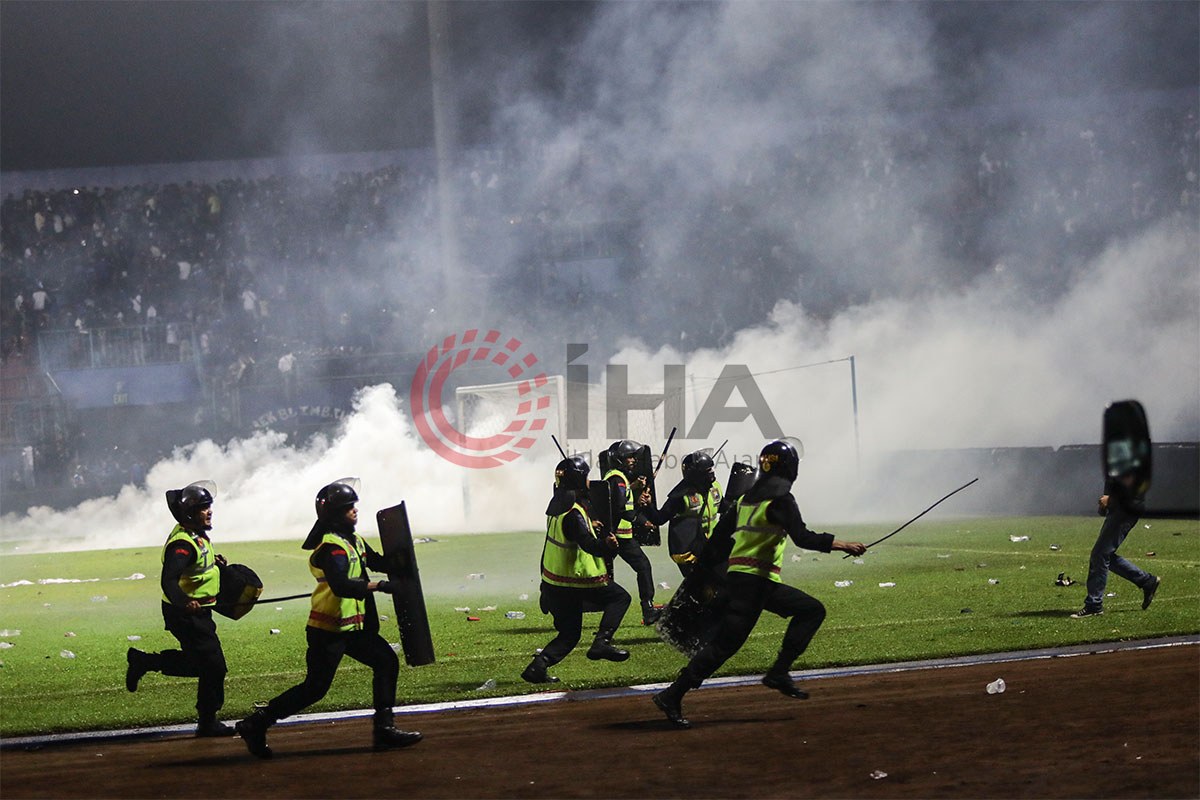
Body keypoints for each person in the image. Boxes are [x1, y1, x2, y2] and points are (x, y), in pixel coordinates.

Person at [652, 439, 866, 729]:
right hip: (754, 586)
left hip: (743, 581)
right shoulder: (781, 501)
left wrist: (705, 579)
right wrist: (843, 544)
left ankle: (775, 673)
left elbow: (715, 544)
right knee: (727, 645)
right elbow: (803, 537)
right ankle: (673, 694)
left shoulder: (744, 501)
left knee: (808, 611)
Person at [235, 480, 421, 759]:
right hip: (329, 630)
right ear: (335, 514)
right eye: (348, 508)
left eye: (354, 506)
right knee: (315, 689)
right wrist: (379, 587)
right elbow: (341, 585)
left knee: (386, 662)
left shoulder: (353, 540)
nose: (354, 511)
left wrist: (401, 556)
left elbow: (377, 562)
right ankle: (255, 724)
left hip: (353, 629)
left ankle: (384, 730)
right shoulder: (331, 548)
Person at [125, 481, 235, 737]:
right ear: (189, 513)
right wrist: (186, 602)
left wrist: (216, 563)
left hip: (197, 613)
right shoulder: (182, 544)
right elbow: (169, 581)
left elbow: (196, 568)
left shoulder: (196, 536)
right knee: (214, 666)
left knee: (204, 664)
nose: (209, 512)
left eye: (209, 507)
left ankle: (144, 661)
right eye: (203, 508)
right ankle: (207, 722)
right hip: (185, 615)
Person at [522, 456, 632, 683]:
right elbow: (589, 545)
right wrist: (607, 545)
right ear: (580, 480)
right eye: (587, 477)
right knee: (621, 598)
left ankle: (537, 667)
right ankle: (602, 643)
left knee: (570, 634)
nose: (590, 481)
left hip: (554, 582)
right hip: (578, 580)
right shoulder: (574, 513)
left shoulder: (556, 507)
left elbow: (567, 534)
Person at [1070, 474, 1160, 618]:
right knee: (1104, 556)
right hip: (1119, 509)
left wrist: (1111, 500)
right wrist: (1106, 502)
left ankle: (1094, 605)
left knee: (1100, 554)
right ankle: (1146, 581)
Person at [603, 439, 659, 624]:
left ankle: (648, 609)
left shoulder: (618, 478)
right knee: (642, 567)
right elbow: (620, 509)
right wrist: (642, 520)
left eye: (634, 457)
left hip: (619, 536)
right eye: (629, 457)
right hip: (619, 537)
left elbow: (617, 505)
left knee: (603, 574)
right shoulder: (618, 479)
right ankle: (648, 609)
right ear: (619, 459)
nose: (633, 460)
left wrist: (636, 499)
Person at [643, 449, 724, 577]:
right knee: (700, 586)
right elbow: (659, 519)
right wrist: (648, 506)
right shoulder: (680, 496)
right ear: (697, 475)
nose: (712, 472)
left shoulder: (716, 488)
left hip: (711, 546)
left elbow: (724, 509)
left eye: (711, 468)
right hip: (689, 551)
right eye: (708, 470)